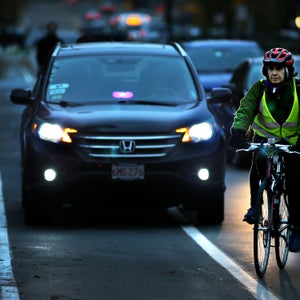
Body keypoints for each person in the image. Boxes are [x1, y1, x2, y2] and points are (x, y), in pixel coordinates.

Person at [230, 47, 300, 252]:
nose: (274, 73)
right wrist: (238, 132)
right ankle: (255, 207)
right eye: (270, 69)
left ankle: (296, 228)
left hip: (293, 145)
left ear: (288, 71)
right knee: (259, 163)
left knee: (296, 180)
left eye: (279, 69)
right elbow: (245, 110)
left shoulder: (298, 89)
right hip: (265, 141)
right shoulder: (259, 89)